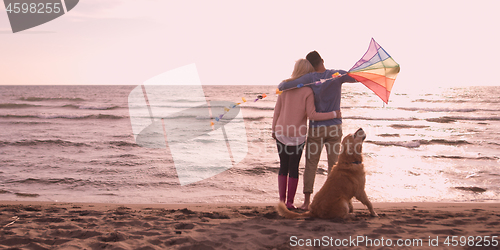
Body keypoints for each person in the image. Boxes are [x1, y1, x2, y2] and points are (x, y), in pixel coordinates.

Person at [278, 51, 357, 210]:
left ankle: (307, 203)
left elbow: (283, 86)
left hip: (316, 129)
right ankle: (333, 199)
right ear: (322, 60)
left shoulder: (309, 78)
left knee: (311, 165)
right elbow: (356, 77)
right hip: (334, 128)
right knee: (334, 166)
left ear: (310, 66)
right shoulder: (336, 74)